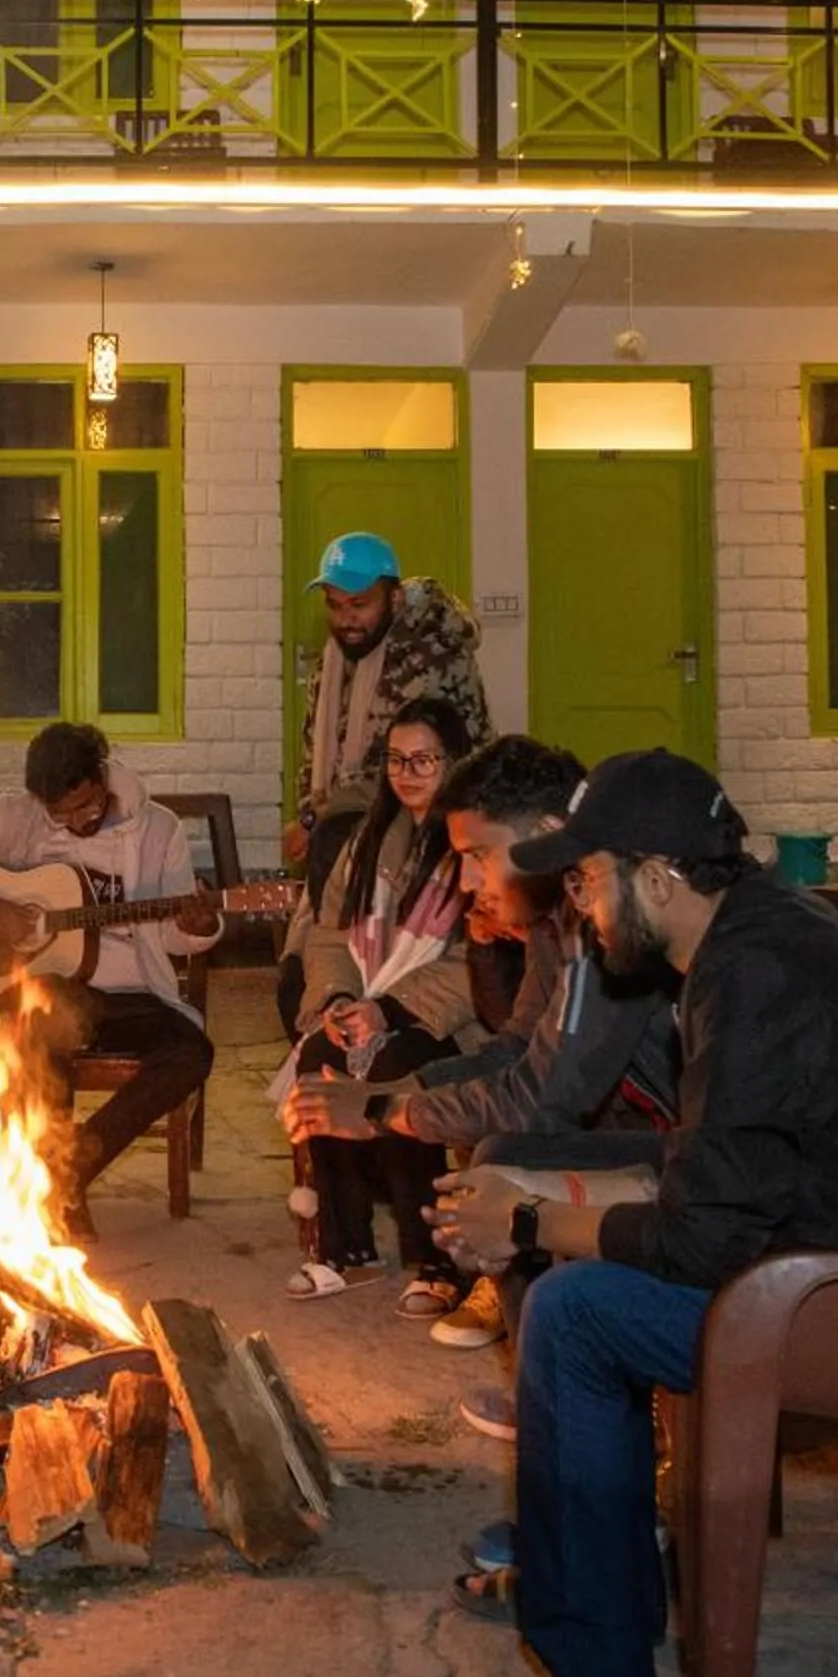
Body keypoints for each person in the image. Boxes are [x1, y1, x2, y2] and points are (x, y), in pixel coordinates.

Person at [428, 749, 838, 1677]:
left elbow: (704, 1239)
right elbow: (722, 1161)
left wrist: (528, 1225)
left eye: (589, 879)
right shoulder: (756, 935)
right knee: (568, 1224)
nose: (577, 903)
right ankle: (600, 1595)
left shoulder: (756, 979)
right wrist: (543, 1196)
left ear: (656, 878)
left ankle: (591, 1652)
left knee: (575, 1315)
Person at [283, 736, 679, 1370]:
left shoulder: (610, 923)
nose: (466, 882)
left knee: (510, 1156)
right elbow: (517, 1045)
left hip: (706, 1167)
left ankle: (562, 1373)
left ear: (548, 834)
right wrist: (401, 1090)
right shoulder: (562, 922)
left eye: (477, 856)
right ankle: (543, 1380)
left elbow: (543, 1095)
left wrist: (384, 1109)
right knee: (504, 1151)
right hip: (671, 1145)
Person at [0, 721, 221, 1241]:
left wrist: (198, 928)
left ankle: (66, 1171)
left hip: (132, 995)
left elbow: (177, 937)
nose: (75, 821)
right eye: (60, 814)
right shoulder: (18, 817)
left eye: (86, 807)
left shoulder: (158, 830)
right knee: (47, 1010)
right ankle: (51, 1179)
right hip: (51, 996)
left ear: (102, 780)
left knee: (192, 1053)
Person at [276, 696, 483, 1315]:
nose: (408, 773)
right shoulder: (370, 838)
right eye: (397, 759)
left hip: (457, 1020)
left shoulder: (472, 838)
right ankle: (347, 1248)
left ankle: (436, 1257)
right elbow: (329, 932)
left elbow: (482, 960)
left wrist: (390, 1009)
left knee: (396, 1064)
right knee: (322, 1053)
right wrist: (339, 999)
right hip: (366, 997)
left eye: (424, 759)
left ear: (456, 761)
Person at [281, 530, 493, 905]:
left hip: (431, 842)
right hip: (354, 833)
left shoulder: (431, 656)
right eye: (334, 604)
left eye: (359, 604)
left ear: (394, 599)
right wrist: (311, 817)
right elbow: (315, 752)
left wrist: (322, 823)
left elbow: (396, 772)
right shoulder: (332, 662)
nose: (346, 619)